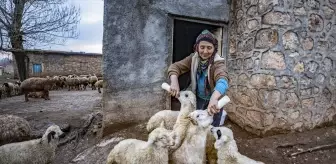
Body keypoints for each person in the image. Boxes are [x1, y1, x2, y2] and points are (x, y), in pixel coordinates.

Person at [167, 29, 229, 127]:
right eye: (202, 47)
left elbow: (223, 80)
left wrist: (214, 98)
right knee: (198, 124)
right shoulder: (193, 58)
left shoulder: (218, 63)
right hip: (199, 98)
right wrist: (174, 82)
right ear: (197, 47)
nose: (205, 51)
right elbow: (175, 67)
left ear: (214, 49)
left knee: (213, 126)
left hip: (214, 101)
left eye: (209, 48)